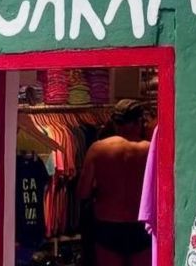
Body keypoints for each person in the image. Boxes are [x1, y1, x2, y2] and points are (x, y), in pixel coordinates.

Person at [77, 99, 152, 266]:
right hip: (140, 224)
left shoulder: (98, 149)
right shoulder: (150, 149)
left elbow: (83, 192)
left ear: (115, 123)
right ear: (139, 121)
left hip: (108, 223)